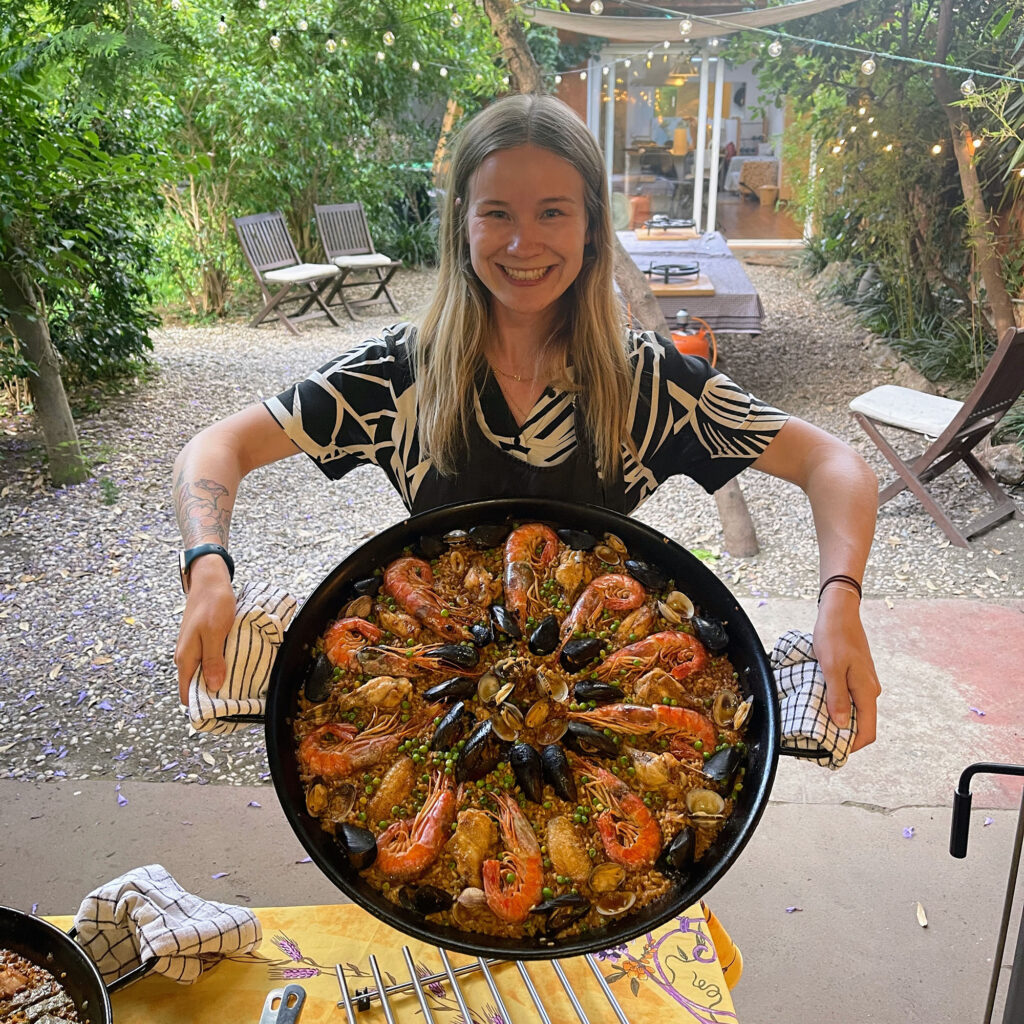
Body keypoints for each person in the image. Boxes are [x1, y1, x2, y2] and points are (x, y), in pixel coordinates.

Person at [173, 95, 880, 751]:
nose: (523, 243)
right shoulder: (396, 374)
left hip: (601, 700)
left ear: (592, 226)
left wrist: (838, 603)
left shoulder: (648, 381)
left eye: (552, 212)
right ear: (463, 223)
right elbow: (216, 446)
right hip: (443, 702)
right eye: (497, 213)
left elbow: (834, 465)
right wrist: (208, 567)